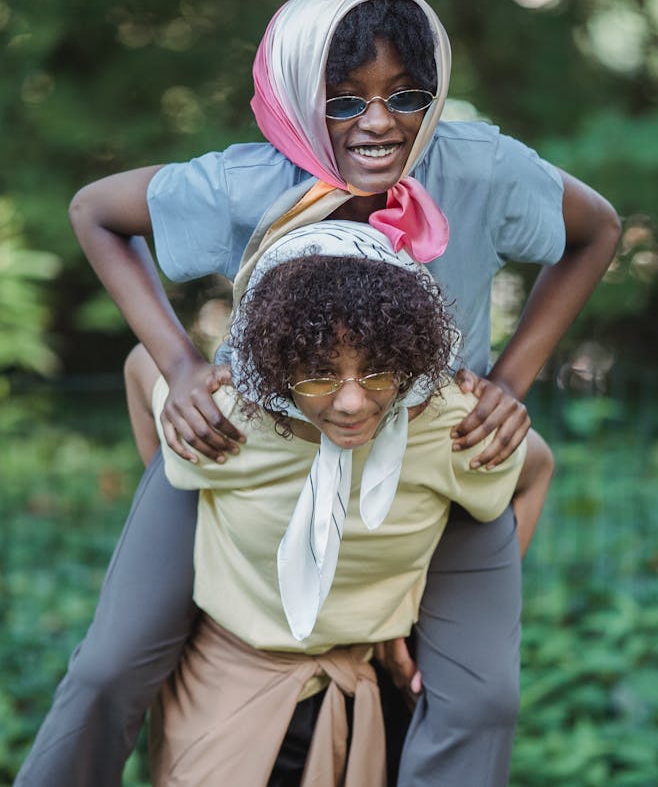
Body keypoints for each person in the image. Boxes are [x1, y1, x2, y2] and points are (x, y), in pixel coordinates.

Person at [15, 0, 621, 787]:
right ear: (303, 92)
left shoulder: (480, 167)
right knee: (110, 666)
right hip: (254, 441)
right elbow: (96, 210)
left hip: (431, 454)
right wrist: (183, 363)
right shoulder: (248, 181)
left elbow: (598, 230)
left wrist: (511, 379)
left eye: (407, 94)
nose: (378, 120)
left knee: (483, 700)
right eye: (344, 100)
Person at [125, 220, 554, 787]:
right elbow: (140, 367)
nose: (352, 401)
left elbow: (535, 470)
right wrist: (178, 494)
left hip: (370, 685)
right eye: (321, 374)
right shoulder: (228, 419)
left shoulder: (443, 424)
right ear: (280, 362)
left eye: (377, 372)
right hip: (229, 685)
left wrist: (445, 622)